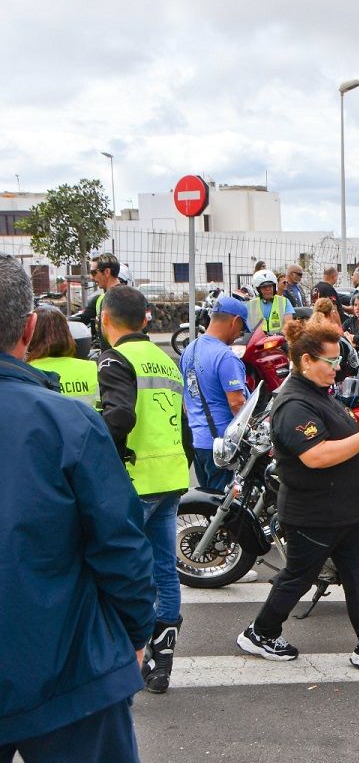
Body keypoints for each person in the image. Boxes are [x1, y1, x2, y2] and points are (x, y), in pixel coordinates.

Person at [0, 255, 156, 763]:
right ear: (28, 328)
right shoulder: (67, 422)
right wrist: (135, 632)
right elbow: (120, 543)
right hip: (69, 664)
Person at [235, 321, 359, 670]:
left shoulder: (319, 394)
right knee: (298, 577)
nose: (337, 369)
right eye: (330, 362)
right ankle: (261, 632)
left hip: (344, 511)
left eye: (337, 362)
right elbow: (315, 456)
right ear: (305, 361)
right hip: (313, 514)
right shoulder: (293, 403)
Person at [97, 285, 190, 695]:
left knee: (119, 571)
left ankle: (125, 655)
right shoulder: (164, 360)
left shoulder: (115, 359)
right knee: (164, 571)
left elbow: (119, 416)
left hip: (135, 482)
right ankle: (162, 660)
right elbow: (183, 427)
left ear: (105, 319)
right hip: (170, 478)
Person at [180, 296, 249, 491]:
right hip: (221, 446)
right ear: (235, 320)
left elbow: (186, 399)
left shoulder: (189, 350)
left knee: (209, 502)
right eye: (241, 328)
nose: (239, 334)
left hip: (197, 442)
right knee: (224, 509)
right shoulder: (225, 356)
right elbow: (237, 404)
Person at [26, 305, 99, 407]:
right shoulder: (92, 368)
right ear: (67, 332)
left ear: (32, 334)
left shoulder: (26, 372)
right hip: (88, 422)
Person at [74, 252, 121, 351]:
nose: (91, 277)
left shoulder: (108, 299)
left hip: (114, 359)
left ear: (107, 272)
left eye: (94, 272)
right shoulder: (136, 296)